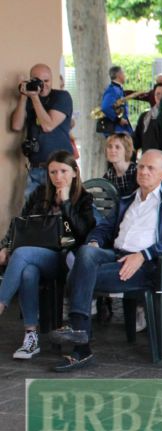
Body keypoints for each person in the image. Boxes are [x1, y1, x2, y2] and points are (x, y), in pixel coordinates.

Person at [50, 150, 162, 372]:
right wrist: (95, 242)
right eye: (141, 166)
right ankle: (80, 335)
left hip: (150, 264)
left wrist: (143, 255)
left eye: (150, 168)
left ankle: (81, 345)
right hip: (117, 256)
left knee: (75, 276)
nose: (143, 171)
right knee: (86, 251)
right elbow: (104, 228)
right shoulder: (127, 199)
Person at [0, 151, 95, 360]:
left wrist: (66, 203)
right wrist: (5, 247)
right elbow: (20, 224)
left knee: (21, 254)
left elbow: (82, 234)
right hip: (34, 256)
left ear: (75, 172)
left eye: (63, 171)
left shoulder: (84, 199)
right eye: (53, 172)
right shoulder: (40, 194)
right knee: (28, 272)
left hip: (64, 259)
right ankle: (31, 337)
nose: (58, 176)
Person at [10, 64, 74, 200]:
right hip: (36, 168)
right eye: (39, 81)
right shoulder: (29, 99)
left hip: (60, 168)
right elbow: (16, 126)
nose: (43, 85)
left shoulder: (61, 97)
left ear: (52, 80)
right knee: (32, 210)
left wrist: (34, 98)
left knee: (61, 208)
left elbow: (48, 126)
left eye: (47, 81)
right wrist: (23, 96)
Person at [133, 81, 162, 155]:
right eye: (158, 94)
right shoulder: (144, 117)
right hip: (148, 159)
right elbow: (136, 141)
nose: (160, 97)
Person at [100, 65, 133, 135]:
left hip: (119, 128)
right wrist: (118, 120)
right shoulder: (113, 90)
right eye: (123, 73)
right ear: (119, 75)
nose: (125, 76)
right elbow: (105, 107)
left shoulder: (117, 89)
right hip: (117, 130)